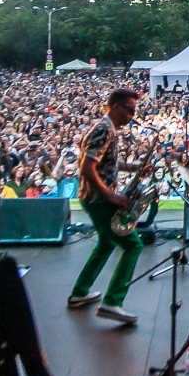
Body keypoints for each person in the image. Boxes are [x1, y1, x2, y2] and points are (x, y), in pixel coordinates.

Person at [68, 88, 148, 325]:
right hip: (98, 199)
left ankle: (80, 292)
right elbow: (87, 167)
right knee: (133, 245)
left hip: (92, 197)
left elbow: (106, 163)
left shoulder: (107, 129)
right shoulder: (104, 129)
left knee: (106, 242)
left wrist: (135, 168)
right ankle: (113, 302)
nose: (132, 116)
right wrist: (110, 196)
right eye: (129, 110)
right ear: (116, 106)